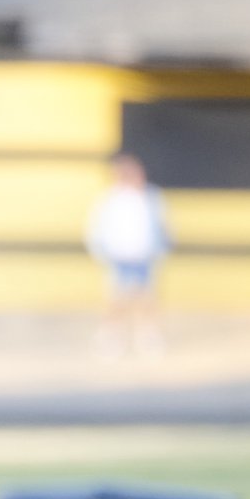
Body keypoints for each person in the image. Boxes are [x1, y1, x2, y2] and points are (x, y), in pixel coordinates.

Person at [85, 150, 169, 354]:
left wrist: (160, 250)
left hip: (144, 256)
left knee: (146, 300)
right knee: (117, 301)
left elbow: (162, 226)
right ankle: (111, 339)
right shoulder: (110, 198)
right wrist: (102, 253)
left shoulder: (151, 197)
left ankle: (148, 339)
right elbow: (96, 228)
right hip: (119, 257)